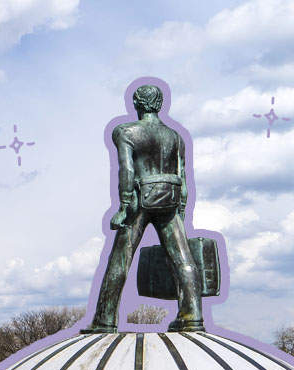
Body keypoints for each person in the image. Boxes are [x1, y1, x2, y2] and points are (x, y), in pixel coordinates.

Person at [85, 84, 204, 333]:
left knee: (120, 260)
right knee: (184, 259)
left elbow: (127, 171)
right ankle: (192, 315)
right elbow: (183, 177)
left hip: (139, 199)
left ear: (136, 103)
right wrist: (181, 208)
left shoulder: (125, 131)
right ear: (160, 104)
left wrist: (124, 206)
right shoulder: (175, 137)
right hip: (170, 199)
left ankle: (105, 319)